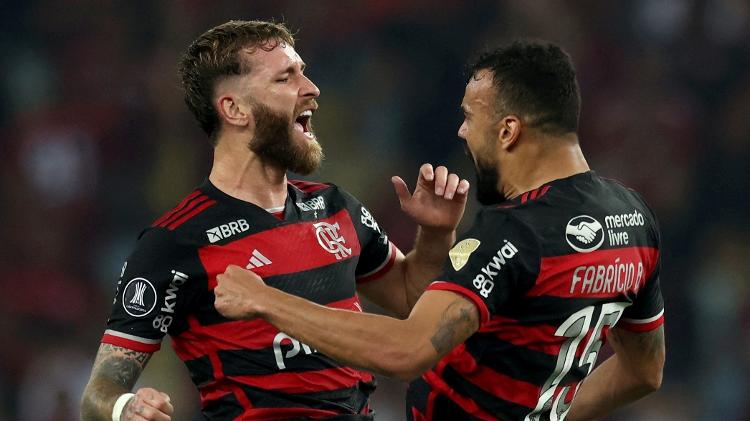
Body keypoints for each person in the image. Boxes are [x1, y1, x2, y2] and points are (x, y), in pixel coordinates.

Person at [214, 40, 666, 421]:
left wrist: (264, 298)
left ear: (509, 130)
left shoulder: (516, 232)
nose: (463, 132)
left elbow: (407, 350)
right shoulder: (633, 216)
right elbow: (644, 371)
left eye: (470, 116)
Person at [80, 20, 471, 421]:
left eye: (303, 71)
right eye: (286, 77)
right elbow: (98, 393)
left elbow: (411, 300)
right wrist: (126, 409)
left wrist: (436, 236)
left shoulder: (337, 207)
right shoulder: (175, 242)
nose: (312, 88)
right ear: (234, 109)